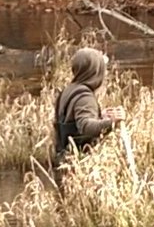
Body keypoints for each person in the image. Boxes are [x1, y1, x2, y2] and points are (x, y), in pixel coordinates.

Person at [53, 48, 125, 186]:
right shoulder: (85, 97)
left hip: (64, 162)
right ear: (95, 72)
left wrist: (99, 116)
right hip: (78, 168)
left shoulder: (69, 90)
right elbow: (85, 126)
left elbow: (73, 121)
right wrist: (111, 122)